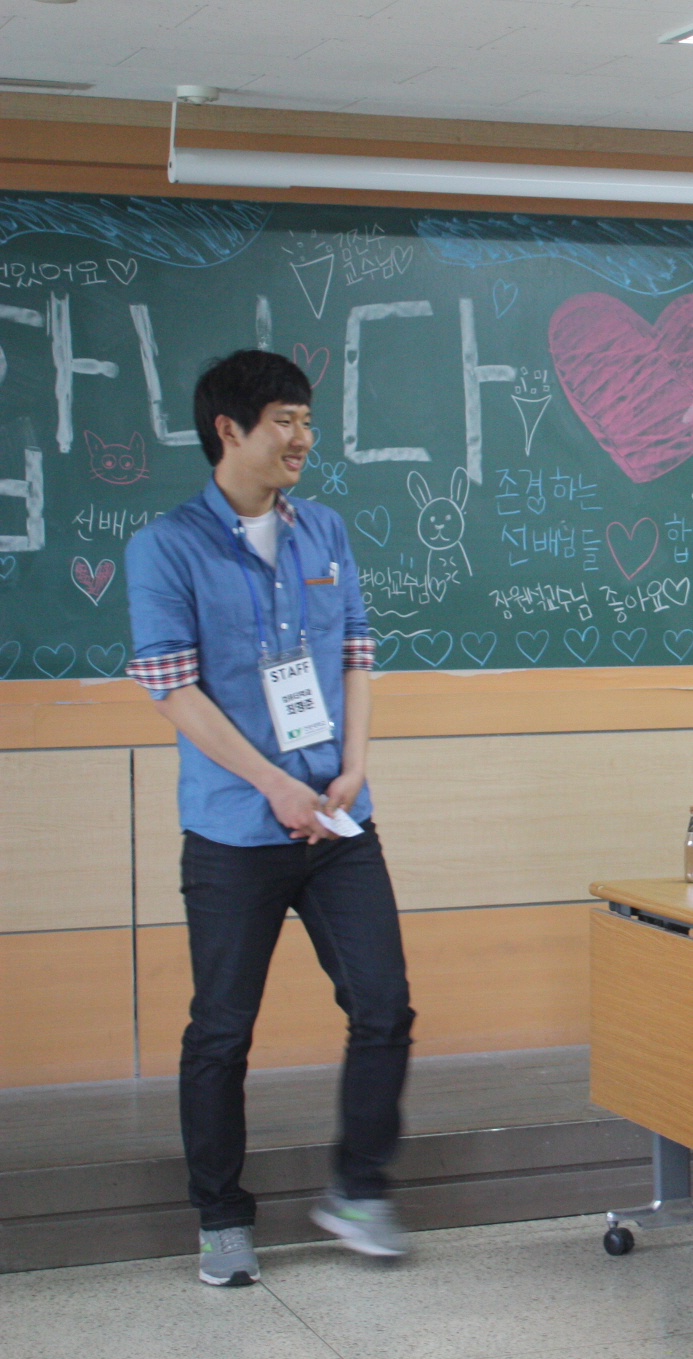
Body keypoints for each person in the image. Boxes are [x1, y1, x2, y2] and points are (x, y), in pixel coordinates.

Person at [123, 351, 415, 1286]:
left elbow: (356, 654)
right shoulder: (165, 547)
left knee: (383, 1007)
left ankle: (358, 1189)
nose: (303, 439)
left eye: (307, 421)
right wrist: (272, 785)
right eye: (286, 420)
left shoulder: (323, 530)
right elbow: (175, 690)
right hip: (233, 832)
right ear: (230, 430)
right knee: (222, 1031)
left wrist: (353, 768)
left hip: (338, 822)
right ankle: (220, 1218)